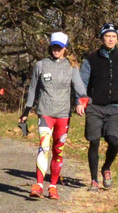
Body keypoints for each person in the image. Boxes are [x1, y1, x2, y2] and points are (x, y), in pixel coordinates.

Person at [19, 33, 88, 200]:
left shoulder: (72, 67)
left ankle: (53, 186)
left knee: (58, 150)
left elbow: (81, 89)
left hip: (63, 115)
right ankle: (38, 185)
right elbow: (33, 89)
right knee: (44, 148)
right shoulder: (41, 65)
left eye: (59, 47)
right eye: (54, 46)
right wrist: (26, 113)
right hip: (45, 113)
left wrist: (81, 102)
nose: (56, 50)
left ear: (65, 48)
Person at [79, 23, 118, 190]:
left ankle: (106, 168)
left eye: (114, 36)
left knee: (114, 141)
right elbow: (82, 82)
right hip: (95, 106)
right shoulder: (91, 59)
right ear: (102, 38)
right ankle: (94, 180)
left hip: (115, 107)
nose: (110, 39)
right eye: (107, 36)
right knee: (94, 141)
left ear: (117, 39)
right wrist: (80, 101)